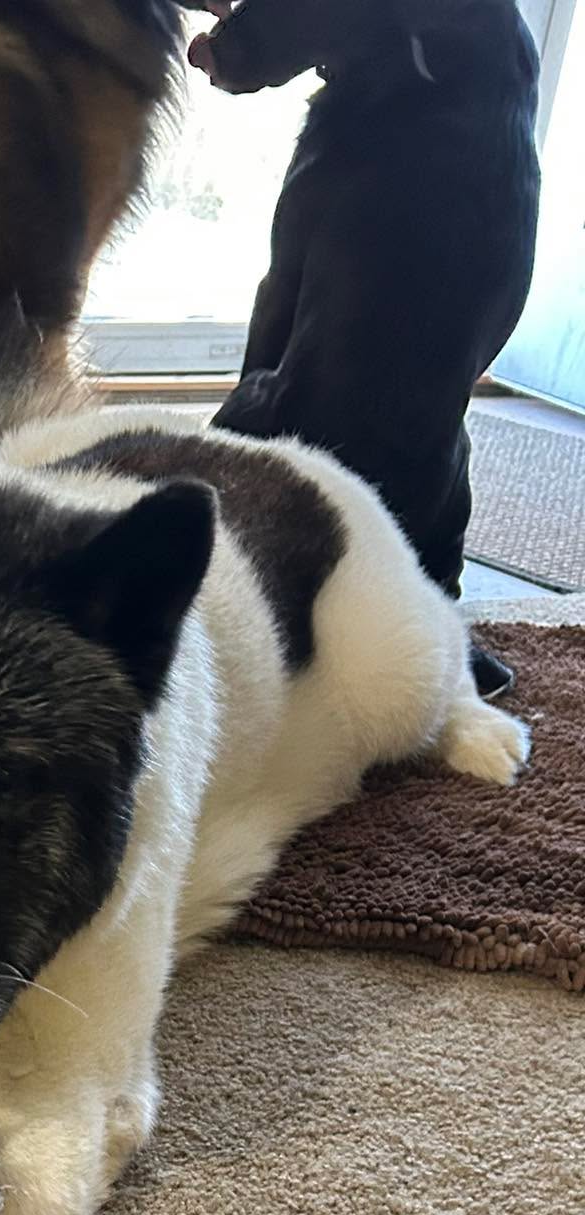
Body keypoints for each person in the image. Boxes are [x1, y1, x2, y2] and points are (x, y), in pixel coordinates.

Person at [191, 0, 542, 698]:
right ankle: (430, 608)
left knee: (295, 390)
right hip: (419, 534)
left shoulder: (373, 128)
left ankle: (275, 612)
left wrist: (236, 51)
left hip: (289, 520)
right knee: (425, 395)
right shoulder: (498, 71)